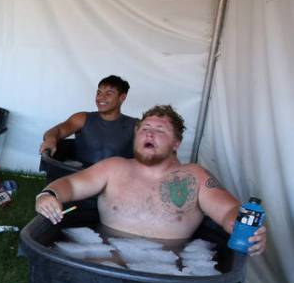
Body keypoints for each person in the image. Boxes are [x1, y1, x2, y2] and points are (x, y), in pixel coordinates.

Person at [35, 105, 268, 255]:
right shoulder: (114, 167)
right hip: (105, 256)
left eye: (160, 130)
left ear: (176, 143)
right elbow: (71, 184)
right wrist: (49, 195)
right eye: (145, 128)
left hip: (165, 269)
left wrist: (244, 227)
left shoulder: (195, 176)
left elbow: (228, 211)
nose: (149, 134)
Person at [39, 75, 136, 165]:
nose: (101, 98)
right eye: (99, 93)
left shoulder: (135, 125)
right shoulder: (82, 118)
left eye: (109, 94)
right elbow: (57, 131)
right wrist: (51, 140)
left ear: (122, 97)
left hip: (117, 180)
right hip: (79, 176)